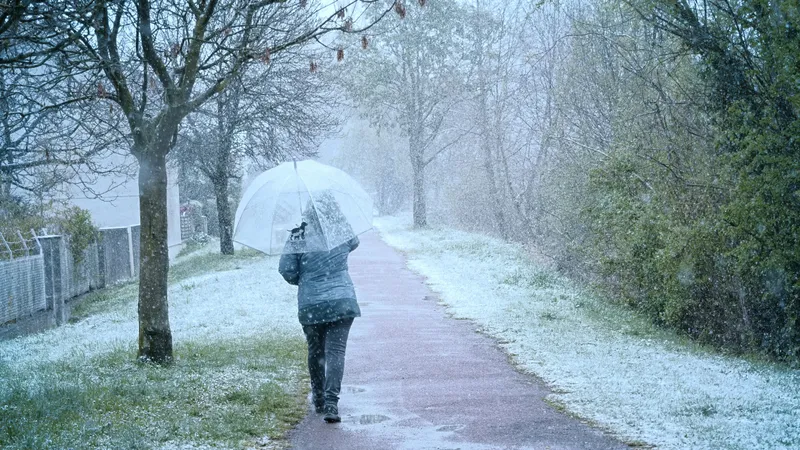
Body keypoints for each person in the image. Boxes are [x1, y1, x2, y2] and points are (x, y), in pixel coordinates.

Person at [278, 204, 361, 424]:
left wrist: (304, 279)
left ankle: (319, 398)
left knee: (316, 351)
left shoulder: (298, 235)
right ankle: (332, 403)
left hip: (312, 304)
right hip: (342, 301)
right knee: (336, 352)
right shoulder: (340, 229)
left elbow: (286, 270)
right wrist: (337, 218)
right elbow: (354, 242)